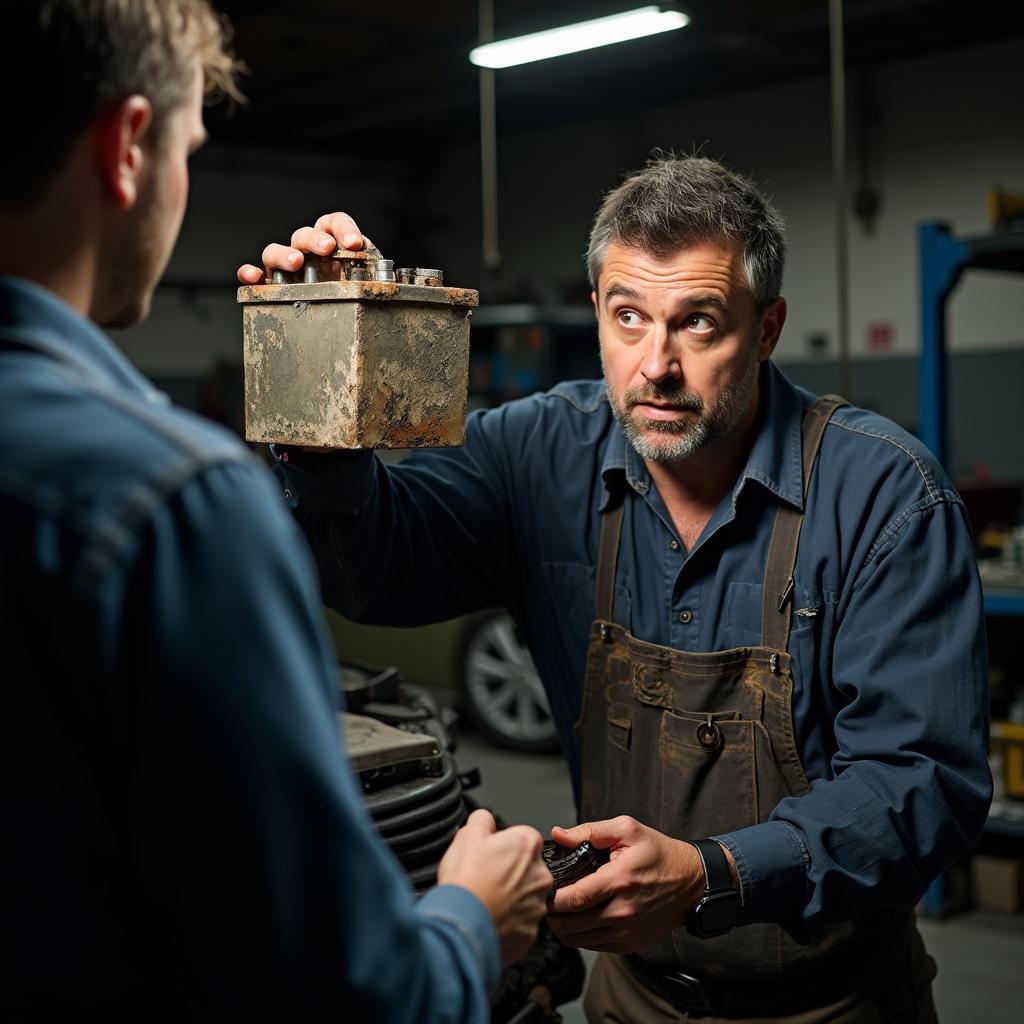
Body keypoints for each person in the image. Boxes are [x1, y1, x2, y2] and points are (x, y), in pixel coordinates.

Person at [242, 155, 993, 1023]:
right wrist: (320, 383)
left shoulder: (885, 495)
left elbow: (922, 784)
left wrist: (714, 875)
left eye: (699, 324)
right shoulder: (537, 451)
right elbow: (372, 568)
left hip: (833, 1002)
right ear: (598, 310)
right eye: (628, 318)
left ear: (769, 327)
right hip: (628, 996)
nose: (656, 366)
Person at [0, 3, 552, 1022]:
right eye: (190, 148)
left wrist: (321, 403)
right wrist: (476, 915)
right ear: (128, 149)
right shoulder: (169, 502)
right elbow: (349, 995)